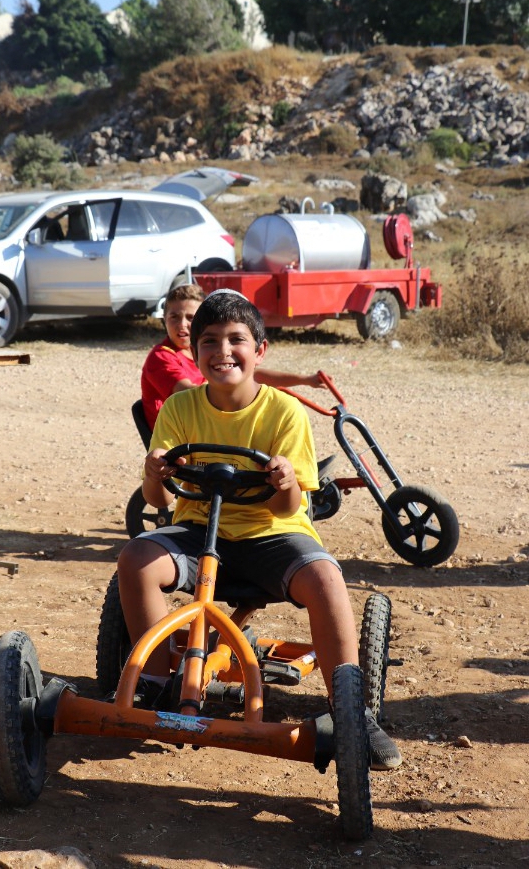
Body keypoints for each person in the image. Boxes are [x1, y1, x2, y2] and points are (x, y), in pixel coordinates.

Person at [117, 290, 402, 771]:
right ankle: (157, 685)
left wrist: (287, 481)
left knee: (328, 578)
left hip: (272, 532)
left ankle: (352, 713)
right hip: (198, 532)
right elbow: (158, 502)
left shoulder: (283, 412)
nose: (222, 351)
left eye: (236, 340)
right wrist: (154, 472)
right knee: (135, 560)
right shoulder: (180, 408)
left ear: (260, 350)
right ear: (194, 351)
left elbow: (291, 505)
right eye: (209, 341)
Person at [141, 283, 330, 431]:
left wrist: (305, 380)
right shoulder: (162, 357)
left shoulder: (204, 353)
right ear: (164, 320)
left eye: (191, 318)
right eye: (174, 317)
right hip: (183, 434)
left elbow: (253, 375)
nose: (182, 325)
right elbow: (188, 395)